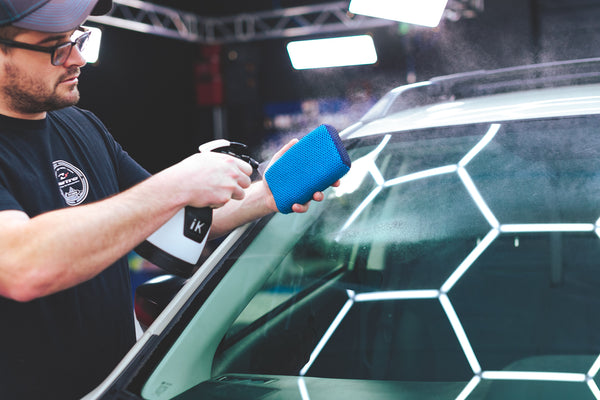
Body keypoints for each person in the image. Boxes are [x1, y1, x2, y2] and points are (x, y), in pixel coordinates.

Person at [0, 0, 336, 398]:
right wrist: (178, 183)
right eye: (57, 45)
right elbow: (19, 265)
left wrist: (268, 192)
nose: (78, 58)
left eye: (79, 37)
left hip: (117, 386)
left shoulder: (81, 125)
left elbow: (166, 224)